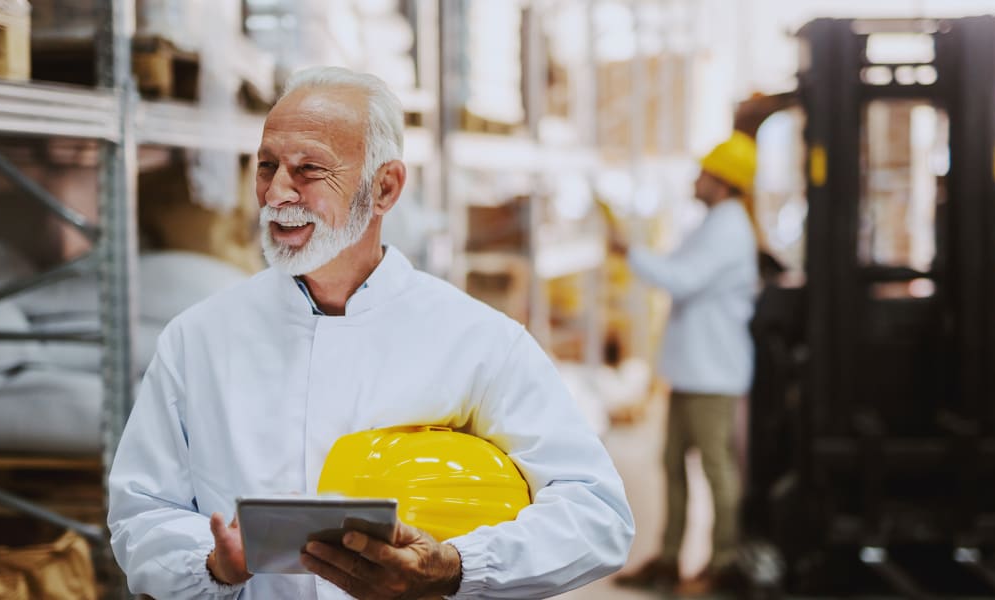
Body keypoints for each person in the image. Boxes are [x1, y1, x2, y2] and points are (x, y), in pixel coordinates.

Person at [107, 66, 634, 599]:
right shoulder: (197, 340)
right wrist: (210, 563)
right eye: (267, 166)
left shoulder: (478, 341)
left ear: (385, 188)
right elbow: (140, 513)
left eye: (309, 169)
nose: (277, 191)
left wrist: (455, 566)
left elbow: (597, 513)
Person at [610, 131, 760, 595]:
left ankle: (725, 561)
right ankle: (670, 559)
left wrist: (628, 253)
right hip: (694, 370)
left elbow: (682, 279)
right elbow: (676, 267)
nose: (697, 178)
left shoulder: (731, 227)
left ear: (724, 181)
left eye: (705, 172)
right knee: (672, 465)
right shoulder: (714, 222)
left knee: (717, 470)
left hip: (714, 375)